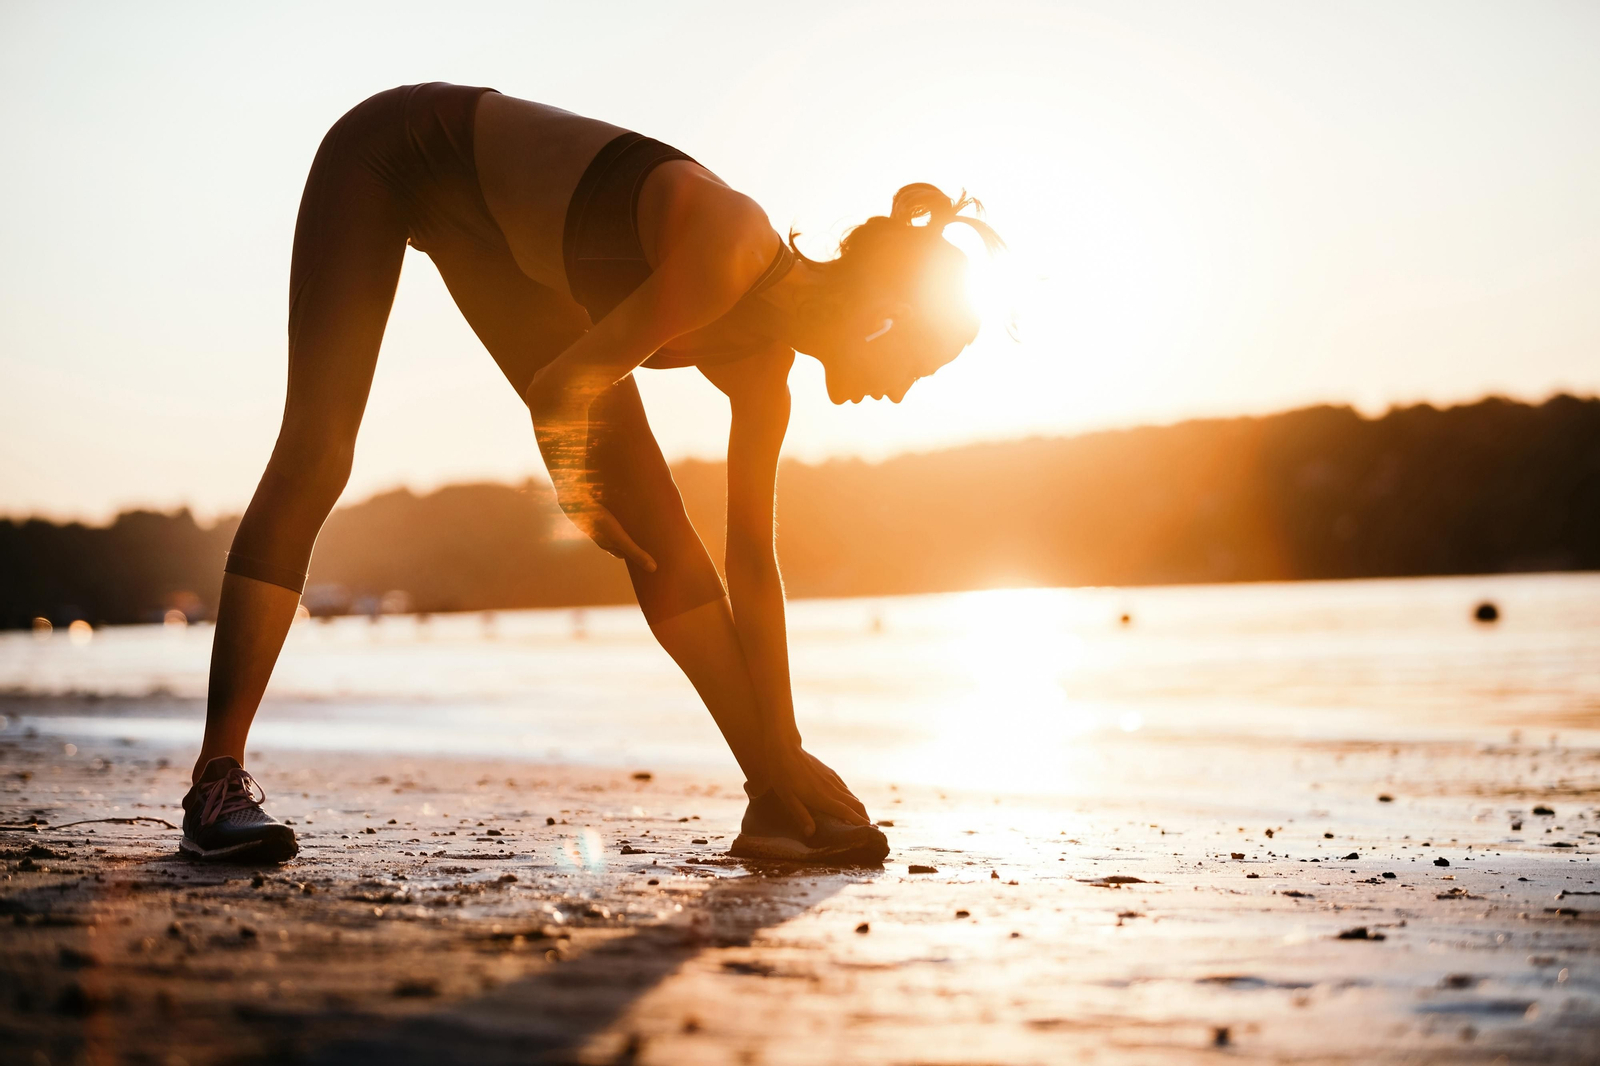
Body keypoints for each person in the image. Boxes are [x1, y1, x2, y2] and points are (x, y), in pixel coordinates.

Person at [181, 83, 1002, 865]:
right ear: (884, 315)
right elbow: (558, 394)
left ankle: (772, 801)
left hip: (508, 250)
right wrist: (574, 496)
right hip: (396, 155)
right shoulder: (730, 247)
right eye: (914, 368)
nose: (899, 392)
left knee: (661, 535)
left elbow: (754, 563)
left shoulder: (765, 372)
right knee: (320, 451)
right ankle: (217, 783)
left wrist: (785, 749)